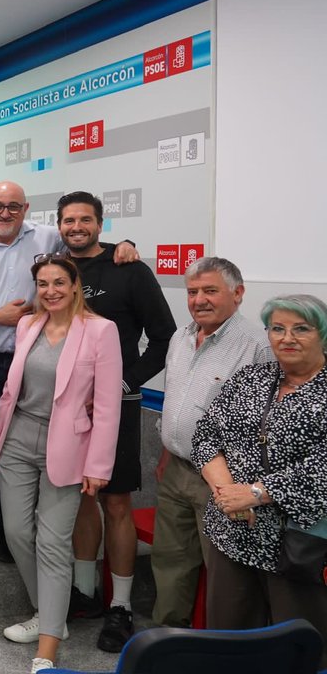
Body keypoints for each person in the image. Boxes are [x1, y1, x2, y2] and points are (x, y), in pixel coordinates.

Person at [0, 181, 136, 562]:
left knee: (46, 450)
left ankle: (32, 529)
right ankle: (2, 526)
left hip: (44, 364)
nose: (5, 213)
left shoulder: (49, 237)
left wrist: (122, 245)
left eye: (13, 206)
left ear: (26, 208)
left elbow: (86, 248)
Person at [0, 255, 122, 674]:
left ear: (75, 284)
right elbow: (11, 392)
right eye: (43, 284)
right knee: (16, 532)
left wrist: (98, 466)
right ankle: (49, 614)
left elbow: (108, 405)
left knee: (52, 541)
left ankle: (47, 646)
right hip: (19, 437)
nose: (50, 291)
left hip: (69, 446)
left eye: (59, 282)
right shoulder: (28, 325)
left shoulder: (101, 330)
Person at [57, 191, 176, 651]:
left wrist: (126, 382)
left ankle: (121, 606)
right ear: (60, 225)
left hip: (117, 408)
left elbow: (164, 337)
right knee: (80, 498)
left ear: (100, 225)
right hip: (67, 406)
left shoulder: (130, 269)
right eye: (69, 220)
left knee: (117, 502)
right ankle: (86, 593)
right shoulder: (56, 270)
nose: (76, 227)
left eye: (85, 220)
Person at [191, 294, 327, 666]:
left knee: (297, 646)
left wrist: (253, 494)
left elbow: (322, 469)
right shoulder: (252, 377)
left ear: (323, 334)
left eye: (301, 328)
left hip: (297, 544)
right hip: (232, 532)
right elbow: (206, 435)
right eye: (278, 328)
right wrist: (226, 495)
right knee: (229, 642)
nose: (287, 337)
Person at [152, 257, 272, 627]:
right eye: (192, 292)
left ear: (237, 294)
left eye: (210, 291)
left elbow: (268, 424)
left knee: (225, 575)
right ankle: (169, 640)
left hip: (224, 479)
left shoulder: (257, 346)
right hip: (175, 468)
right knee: (170, 560)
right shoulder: (181, 336)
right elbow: (177, 398)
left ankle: (226, 653)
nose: (199, 299)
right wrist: (165, 451)